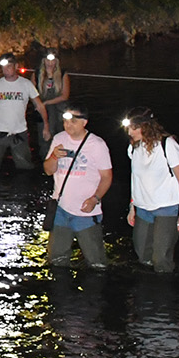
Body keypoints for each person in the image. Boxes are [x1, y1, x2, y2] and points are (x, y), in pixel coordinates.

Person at [43, 106, 113, 268]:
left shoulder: (97, 144)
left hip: (86, 213)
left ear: (84, 122)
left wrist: (95, 198)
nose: (68, 125)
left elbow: (106, 177)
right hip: (61, 209)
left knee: (96, 262)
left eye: (73, 122)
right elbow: (47, 170)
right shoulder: (59, 139)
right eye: (66, 121)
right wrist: (54, 156)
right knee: (56, 260)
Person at [123, 108, 179, 273]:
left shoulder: (168, 145)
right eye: (128, 127)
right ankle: (145, 293)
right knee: (143, 256)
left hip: (167, 207)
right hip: (143, 208)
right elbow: (136, 179)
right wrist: (132, 207)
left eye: (134, 127)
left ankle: (165, 295)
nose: (130, 132)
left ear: (146, 126)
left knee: (160, 259)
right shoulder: (133, 148)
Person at [0, 57, 45, 170]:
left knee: (25, 166)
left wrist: (46, 126)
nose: (6, 69)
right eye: (3, 67)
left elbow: (39, 106)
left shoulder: (26, 84)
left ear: (16, 66)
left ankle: (24, 186)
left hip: (19, 132)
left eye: (9, 66)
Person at [32, 47, 72, 147]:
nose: (50, 63)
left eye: (53, 60)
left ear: (56, 61)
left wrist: (47, 103)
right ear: (43, 61)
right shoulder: (36, 74)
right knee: (45, 142)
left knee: (61, 140)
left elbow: (64, 96)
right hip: (43, 112)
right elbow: (32, 94)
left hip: (59, 112)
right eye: (47, 60)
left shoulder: (63, 74)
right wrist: (40, 105)